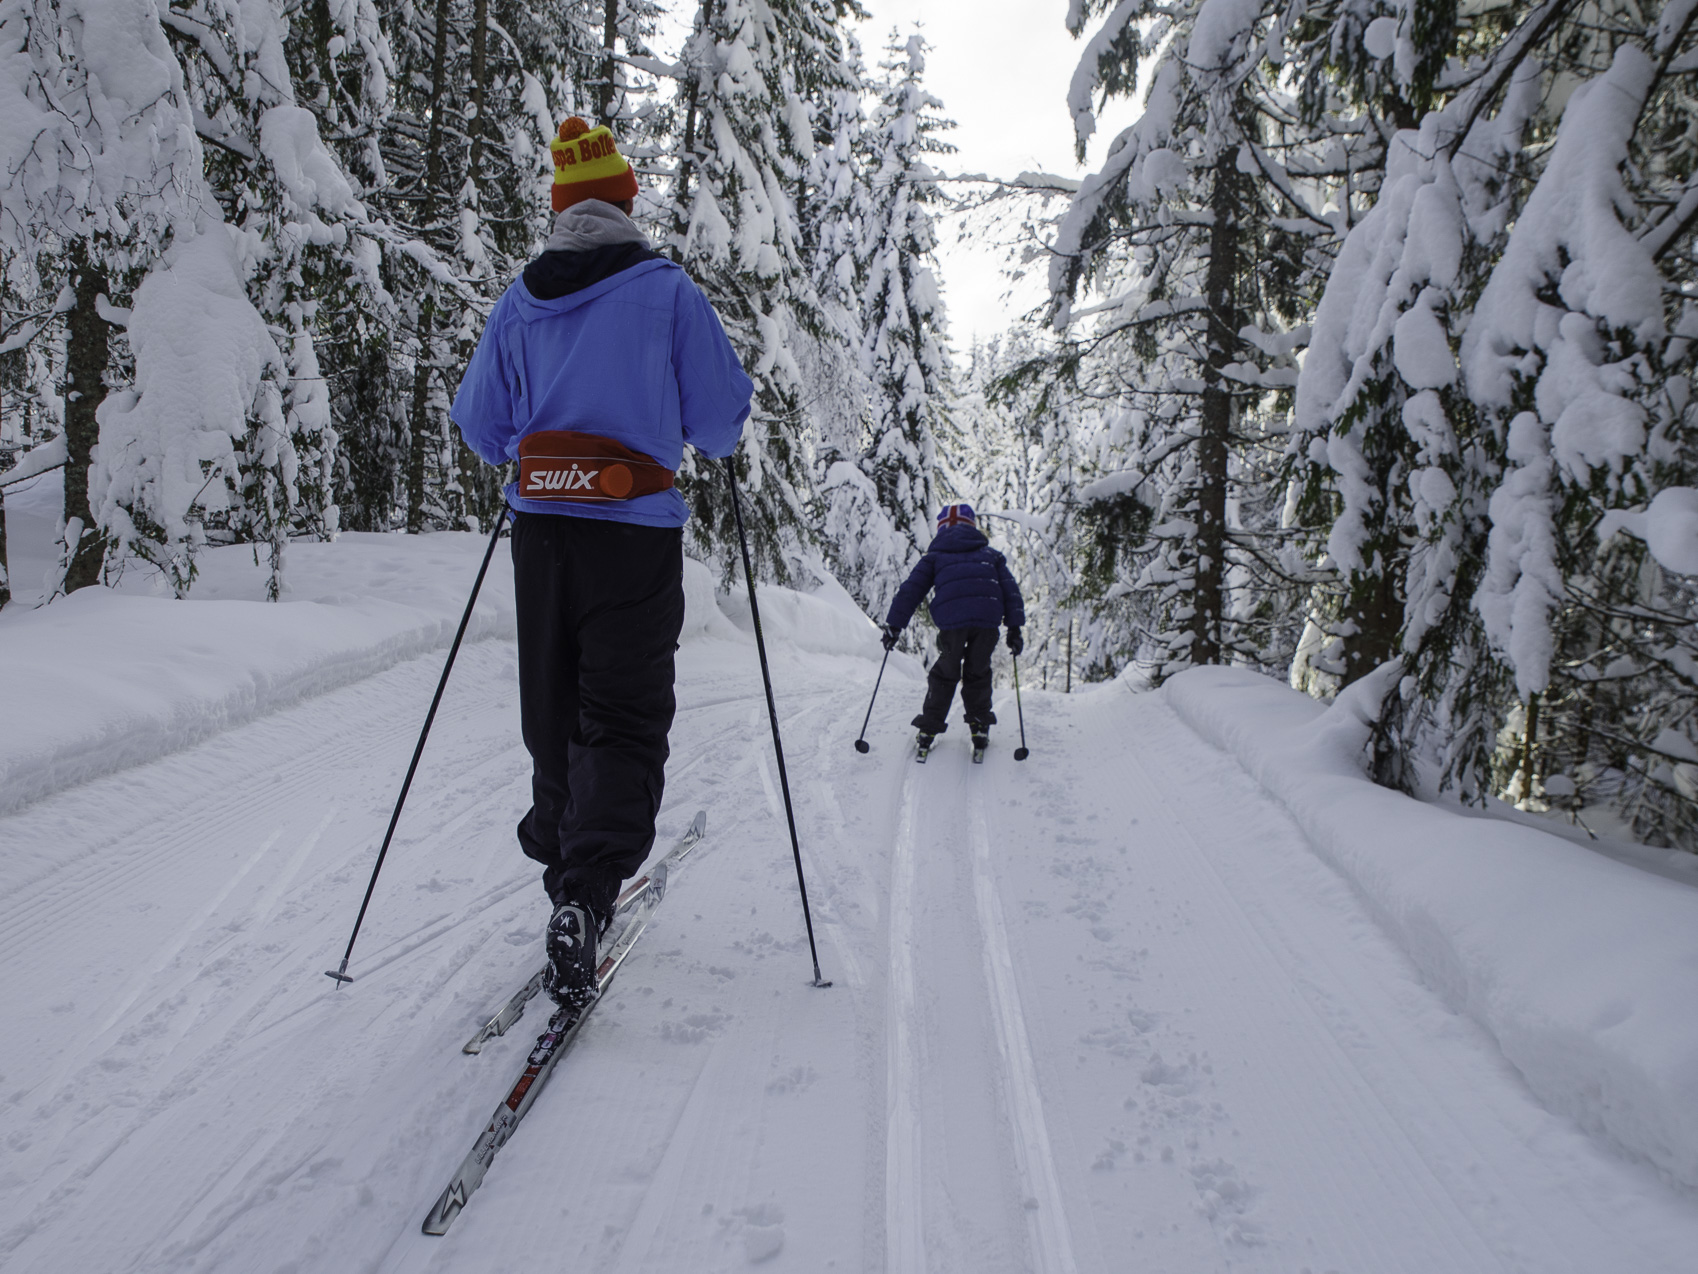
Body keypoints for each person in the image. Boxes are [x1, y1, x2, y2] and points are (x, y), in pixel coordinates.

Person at [451, 117, 752, 1011]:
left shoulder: (518, 300)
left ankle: (564, 882)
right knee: (620, 715)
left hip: (541, 535)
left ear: (560, 214)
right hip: (632, 532)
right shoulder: (665, 291)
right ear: (624, 204)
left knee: (553, 708)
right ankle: (586, 894)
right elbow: (722, 420)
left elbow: (480, 427)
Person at [882, 503, 1026, 751]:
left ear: (942, 530)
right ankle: (980, 725)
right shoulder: (991, 556)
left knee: (946, 673)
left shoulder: (935, 557)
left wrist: (894, 625)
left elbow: (911, 591)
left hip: (952, 622)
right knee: (978, 671)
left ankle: (929, 727)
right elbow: (1010, 591)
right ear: (972, 527)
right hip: (987, 619)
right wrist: (1014, 628)